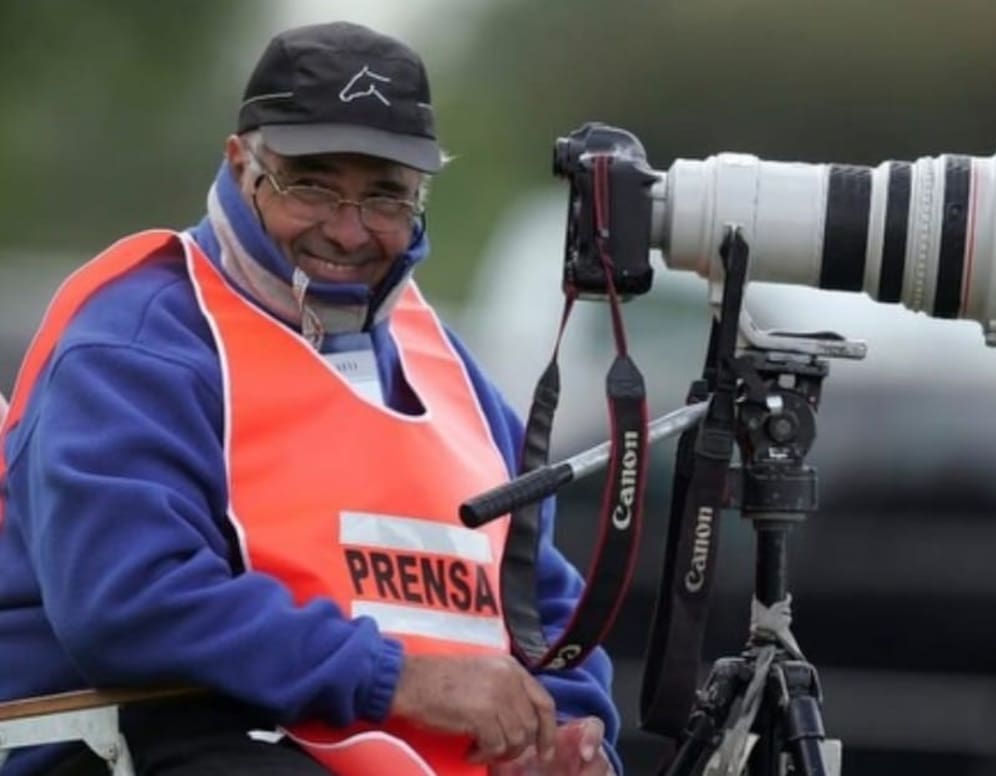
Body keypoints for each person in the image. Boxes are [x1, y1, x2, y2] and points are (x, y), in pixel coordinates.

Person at [0, 21, 619, 776]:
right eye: (313, 186)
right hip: (139, 743)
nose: (348, 231)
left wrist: (568, 735)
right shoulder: (138, 344)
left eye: (386, 196)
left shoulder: (451, 372)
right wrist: (400, 680)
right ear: (241, 164)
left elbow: (545, 609)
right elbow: (130, 602)